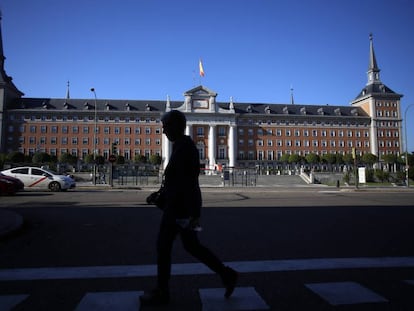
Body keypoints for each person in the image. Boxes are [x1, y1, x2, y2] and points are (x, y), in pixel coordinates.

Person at [140, 110, 238, 306]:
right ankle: (227, 274)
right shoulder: (181, 146)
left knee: (164, 247)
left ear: (176, 126)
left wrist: (172, 204)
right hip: (182, 208)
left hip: (179, 210)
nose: (164, 130)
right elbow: (177, 182)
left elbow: (186, 183)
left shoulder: (185, 148)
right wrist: (160, 196)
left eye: (166, 126)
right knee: (192, 246)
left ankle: (162, 292)